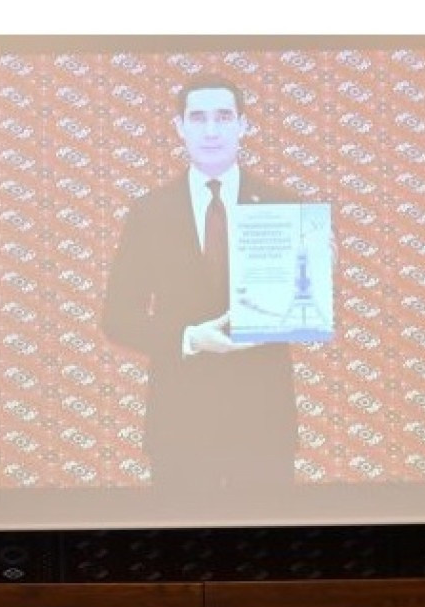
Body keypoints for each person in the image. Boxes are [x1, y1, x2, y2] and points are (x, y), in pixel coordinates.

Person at [101, 75, 298, 492]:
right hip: (181, 425)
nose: (211, 130)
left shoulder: (283, 206)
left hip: (263, 423)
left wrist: (315, 275)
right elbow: (117, 318)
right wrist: (190, 338)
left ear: (243, 125)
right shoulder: (149, 212)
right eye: (198, 117)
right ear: (180, 127)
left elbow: (301, 310)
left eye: (223, 117)